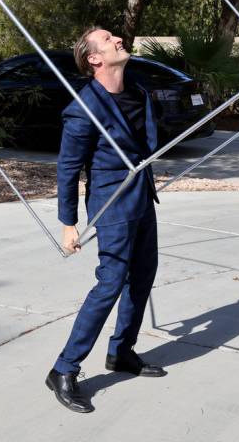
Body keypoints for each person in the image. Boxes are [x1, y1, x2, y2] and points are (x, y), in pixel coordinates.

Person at [45, 27, 166, 413]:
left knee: (144, 273)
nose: (118, 40)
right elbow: (68, 167)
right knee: (111, 282)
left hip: (142, 195)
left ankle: (122, 352)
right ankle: (64, 369)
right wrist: (69, 222)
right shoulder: (85, 108)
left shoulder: (138, 90)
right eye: (108, 39)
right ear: (94, 59)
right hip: (112, 203)